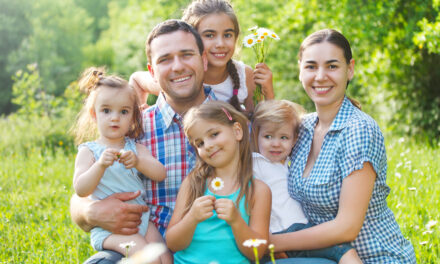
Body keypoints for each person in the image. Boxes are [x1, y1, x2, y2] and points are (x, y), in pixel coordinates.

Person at [70, 20, 217, 263]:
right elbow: (81, 193)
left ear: (203, 59)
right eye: (165, 59)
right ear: (152, 71)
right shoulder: (133, 128)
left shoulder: (234, 122)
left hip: (217, 249)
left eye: (186, 55)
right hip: (148, 245)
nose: (178, 66)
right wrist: (89, 211)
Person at [269, 29, 416, 263]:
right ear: (300, 71)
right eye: (310, 66)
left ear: (350, 69)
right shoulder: (302, 129)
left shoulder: (358, 130)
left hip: (376, 257)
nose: (320, 76)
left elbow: (347, 228)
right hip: (325, 256)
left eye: (332, 66)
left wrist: (270, 242)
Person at [251, 99, 362, 263]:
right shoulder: (256, 163)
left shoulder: (290, 162)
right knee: (343, 251)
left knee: (341, 251)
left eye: (283, 137)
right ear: (257, 136)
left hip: (301, 231)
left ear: (294, 140)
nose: (275, 144)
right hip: (279, 232)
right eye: (268, 137)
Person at [71, 67, 167, 258]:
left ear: (132, 116)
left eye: (123, 111)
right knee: (148, 257)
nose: (115, 117)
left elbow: (160, 173)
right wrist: (99, 166)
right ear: (94, 114)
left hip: (142, 221)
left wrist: (139, 162)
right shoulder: (89, 151)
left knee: (165, 256)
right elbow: (81, 189)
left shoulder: (135, 148)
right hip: (110, 230)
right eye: (106, 110)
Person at [166, 101, 271, 263]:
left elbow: (257, 252)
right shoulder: (194, 183)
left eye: (214, 134)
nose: (207, 145)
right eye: (199, 143)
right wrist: (192, 217)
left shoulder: (258, 190)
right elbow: (172, 243)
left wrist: (236, 221)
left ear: (237, 131)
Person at [130, 0, 274, 113]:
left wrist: (268, 92)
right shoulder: (181, 78)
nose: (220, 43)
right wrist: (138, 113)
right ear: (192, 39)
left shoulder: (245, 75)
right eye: (209, 35)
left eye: (227, 35)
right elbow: (136, 80)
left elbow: (257, 123)